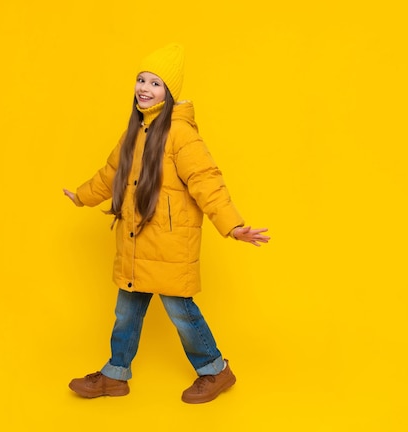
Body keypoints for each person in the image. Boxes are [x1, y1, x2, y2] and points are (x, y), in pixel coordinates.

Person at [63, 43, 270, 404]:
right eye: (141, 80)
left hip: (170, 244)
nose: (144, 88)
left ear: (170, 92)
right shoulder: (134, 133)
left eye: (155, 83)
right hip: (136, 242)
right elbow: (110, 174)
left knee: (181, 312)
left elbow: (207, 180)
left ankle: (215, 370)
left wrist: (233, 225)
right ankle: (115, 374)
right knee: (126, 311)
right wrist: (81, 195)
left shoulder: (180, 134)